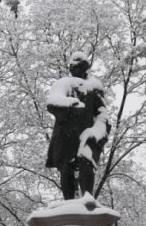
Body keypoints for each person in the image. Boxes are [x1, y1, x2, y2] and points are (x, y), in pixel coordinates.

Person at [45, 52, 110, 200]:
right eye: (72, 66)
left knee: (86, 163)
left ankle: (88, 201)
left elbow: (102, 113)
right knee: (66, 168)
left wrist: (98, 130)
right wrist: (72, 104)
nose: (74, 68)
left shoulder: (94, 88)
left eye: (78, 66)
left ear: (85, 68)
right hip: (65, 136)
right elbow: (53, 102)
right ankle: (69, 203)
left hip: (86, 135)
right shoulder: (63, 83)